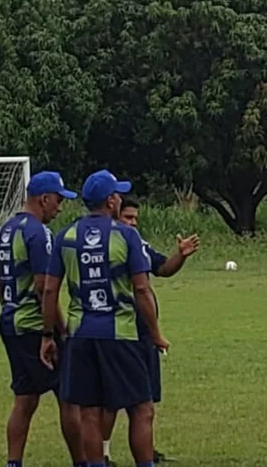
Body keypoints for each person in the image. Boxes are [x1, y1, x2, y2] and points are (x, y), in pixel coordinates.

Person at [42, 170, 169, 467]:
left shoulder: (66, 236)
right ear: (111, 201)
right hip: (120, 334)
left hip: (80, 335)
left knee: (89, 411)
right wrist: (155, 333)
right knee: (141, 408)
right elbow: (142, 288)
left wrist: (49, 335)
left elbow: (49, 289)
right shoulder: (126, 235)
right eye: (118, 194)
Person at [97, 197, 200, 466]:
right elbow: (140, 288)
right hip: (121, 330)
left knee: (146, 399)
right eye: (127, 218)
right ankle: (103, 453)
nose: (133, 223)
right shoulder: (110, 244)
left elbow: (163, 268)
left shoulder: (137, 242)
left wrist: (181, 255)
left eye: (135, 219)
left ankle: (146, 450)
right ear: (114, 216)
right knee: (113, 399)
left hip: (143, 332)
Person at [0, 171, 76, 467]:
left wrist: (12, 309)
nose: (60, 207)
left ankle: (13, 462)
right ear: (44, 199)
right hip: (33, 326)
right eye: (58, 200)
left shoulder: (5, 230)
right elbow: (45, 288)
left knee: (25, 397)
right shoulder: (39, 233)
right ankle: (83, 462)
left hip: (9, 321)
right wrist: (56, 331)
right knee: (69, 394)